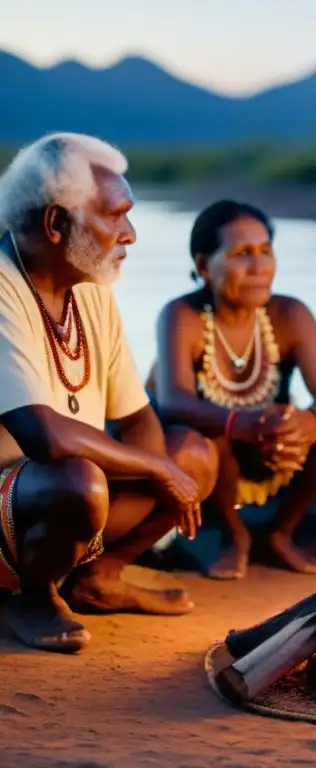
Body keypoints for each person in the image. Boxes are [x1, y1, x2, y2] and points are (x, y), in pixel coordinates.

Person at [0, 133, 217, 653]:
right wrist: (156, 470)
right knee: (79, 480)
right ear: (55, 224)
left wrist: (167, 464)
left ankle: (97, 579)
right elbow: (44, 435)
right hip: (18, 503)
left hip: (63, 500)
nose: (131, 234)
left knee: (194, 455)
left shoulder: (90, 289)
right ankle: (34, 596)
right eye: (115, 216)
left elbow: (138, 417)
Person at [150, 200, 316, 580]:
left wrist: (308, 424)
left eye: (265, 251)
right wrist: (245, 424)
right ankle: (234, 536)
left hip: (274, 455)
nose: (260, 267)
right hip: (213, 460)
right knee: (210, 430)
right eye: (243, 253)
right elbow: (173, 402)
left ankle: (282, 533)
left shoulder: (290, 314)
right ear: (203, 267)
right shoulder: (182, 316)